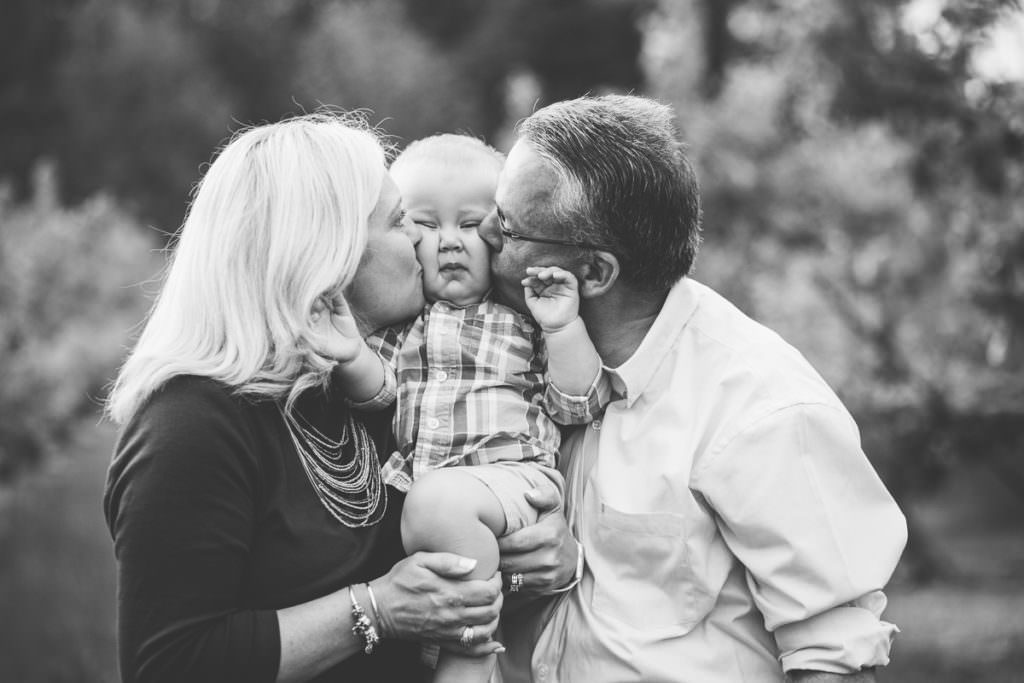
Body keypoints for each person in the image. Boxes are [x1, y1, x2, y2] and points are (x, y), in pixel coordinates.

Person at [479, 95, 909, 683]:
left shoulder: (761, 407)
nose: (481, 233)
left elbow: (835, 659)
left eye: (507, 227)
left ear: (595, 273)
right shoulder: (505, 359)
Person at [102, 113, 507, 683]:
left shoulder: (359, 386)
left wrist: (522, 562)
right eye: (398, 221)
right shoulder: (190, 426)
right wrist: (375, 610)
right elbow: (169, 664)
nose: (423, 237)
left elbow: (440, 564)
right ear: (325, 256)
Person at [341, 133, 608, 682]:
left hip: (513, 481)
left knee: (434, 505)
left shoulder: (522, 321)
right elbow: (379, 391)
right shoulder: (401, 329)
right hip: (435, 506)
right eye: (424, 224)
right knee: (428, 515)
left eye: (469, 224)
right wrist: (346, 350)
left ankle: (472, 652)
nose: (449, 242)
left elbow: (577, 401)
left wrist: (563, 327)